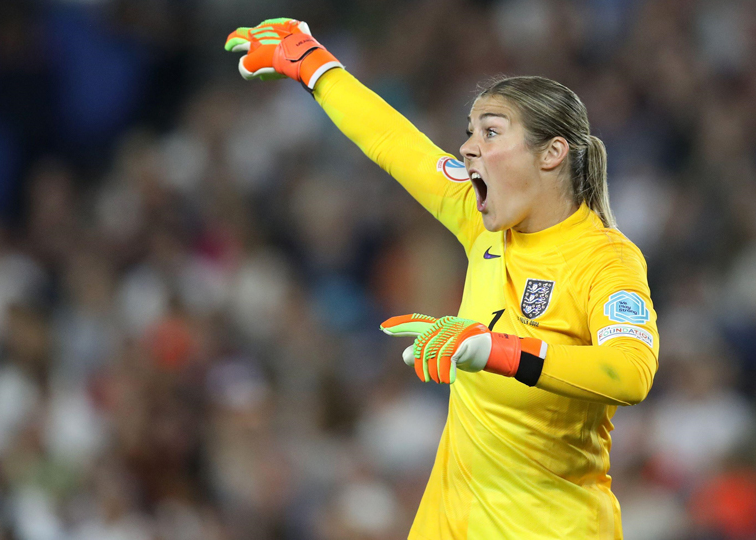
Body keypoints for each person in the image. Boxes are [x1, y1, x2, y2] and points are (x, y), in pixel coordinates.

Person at [226, 19, 660, 540]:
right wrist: (319, 69)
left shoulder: (605, 259)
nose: (468, 149)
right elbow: (396, 144)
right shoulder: (482, 218)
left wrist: (496, 350)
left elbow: (630, 371)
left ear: (552, 153)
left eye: (491, 132)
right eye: (470, 132)